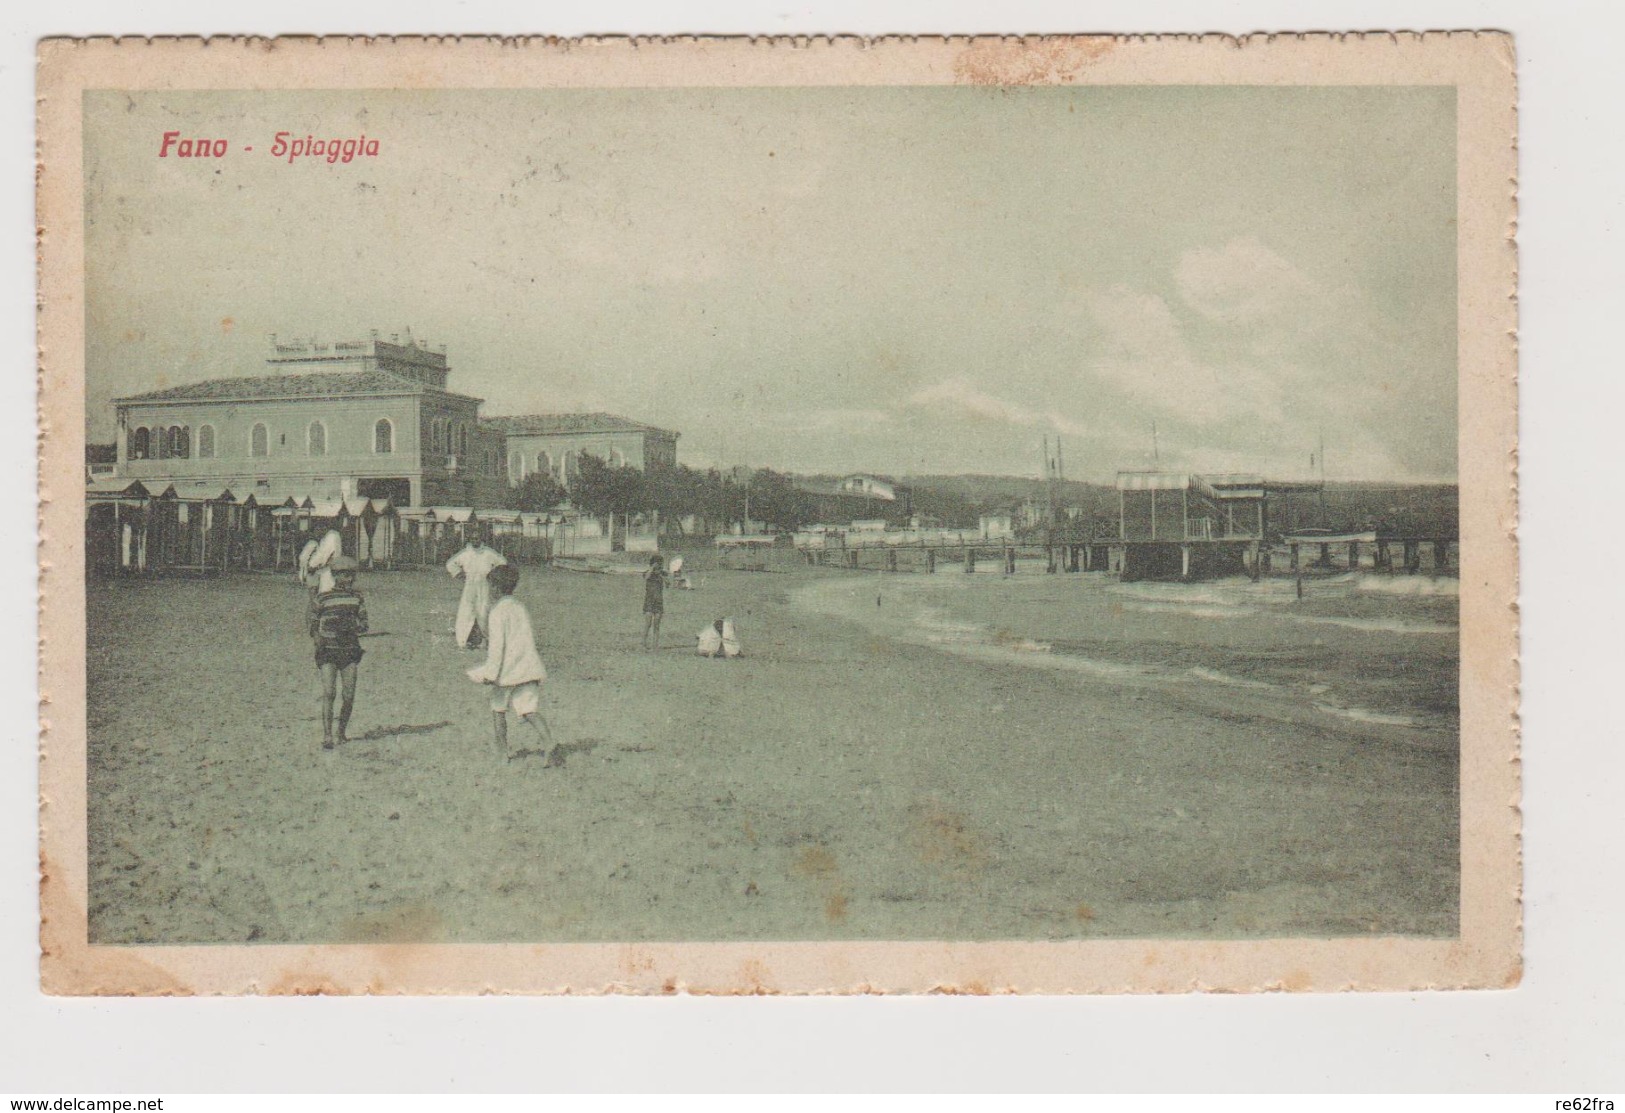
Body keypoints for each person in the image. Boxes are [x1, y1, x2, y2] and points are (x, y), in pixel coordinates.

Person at [466, 563, 557, 764]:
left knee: (498, 710)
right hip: (528, 668)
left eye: (490, 587)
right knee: (529, 710)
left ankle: (502, 752)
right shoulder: (520, 607)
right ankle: (549, 741)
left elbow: (497, 647)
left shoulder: (498, 612)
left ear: (496, 588)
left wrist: (490, 674)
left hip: (506, 673)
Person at [307, 554, 368, 750]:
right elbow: (313, 622)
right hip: (328, 651)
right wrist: (318, 640)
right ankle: (327, 735)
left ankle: (341, 731)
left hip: (350, 650)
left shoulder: (357, 598)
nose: (348, 580)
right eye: (343, 576)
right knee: (329, 692)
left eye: (351, 576)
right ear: (334, 576)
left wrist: (354, 627)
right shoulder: (323, 597)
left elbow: (365, 623)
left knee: (349, 695)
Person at [445, 534, 507, 649]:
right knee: (467, 610)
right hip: (470, 585)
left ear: (481, 539)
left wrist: (493, 575)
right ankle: (465, 639)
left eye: (477, 538)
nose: (475, 540)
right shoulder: (465, 553)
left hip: (484, 585)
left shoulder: (488, 553)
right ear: (470, 540)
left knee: (483, 611)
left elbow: (502, 562)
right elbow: (450, 564)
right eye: (473, 538)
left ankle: (486, 639)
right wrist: (459, 574)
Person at [304, 528, 344, 594]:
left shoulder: (330, 537)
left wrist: (312, 565)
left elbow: (323, 554)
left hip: (327, 570)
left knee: (325, 590)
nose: (315, 534)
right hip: (332, 568)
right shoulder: (334, 534)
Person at [641, 553, 667, 652]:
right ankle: (643, 643)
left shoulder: (662, 574)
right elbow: (646, 577)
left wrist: (660, 574)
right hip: (649, 601)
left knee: (657, 624)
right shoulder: (648, 572)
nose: (660, 565)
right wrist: (652, 568)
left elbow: (668, 583)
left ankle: (655, 646)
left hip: (659, 601)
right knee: (648, 623)